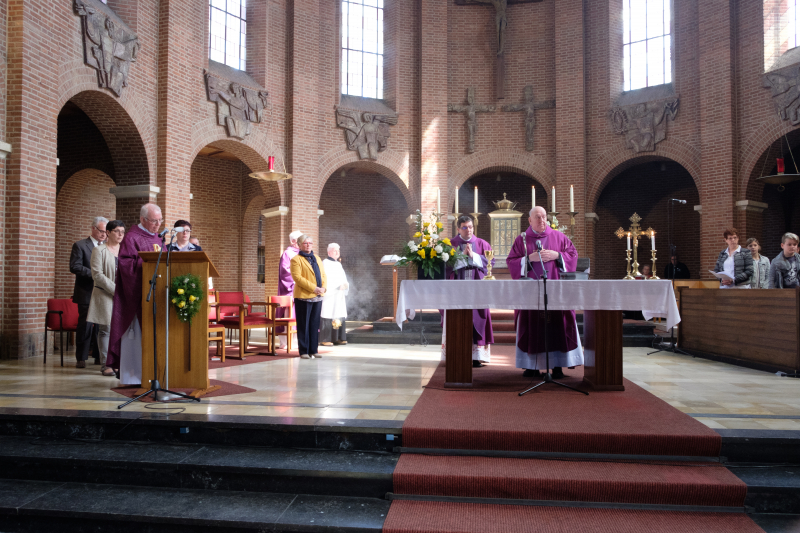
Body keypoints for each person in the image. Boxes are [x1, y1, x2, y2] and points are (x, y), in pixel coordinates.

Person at [507, 206, 582, 378]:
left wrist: (558, 255)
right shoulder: (522, 240)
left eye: (544, 216)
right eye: (537, 217)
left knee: (557, 324)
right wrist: (528, 259)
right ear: (530, 220)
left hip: (555, 290)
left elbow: (573, 255)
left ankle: (557, 365)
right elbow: (511, 262)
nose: (542, 220)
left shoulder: (559, 237)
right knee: (532, 325)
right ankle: (532, 366)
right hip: (530, 292)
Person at [107, 204, 164, 384]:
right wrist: (147, 264)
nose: (158, 224)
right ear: (142, 219)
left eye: (160, 220)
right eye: (154, 221)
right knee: (137, 338)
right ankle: (134, 377)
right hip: (137, 298)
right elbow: (125, 265)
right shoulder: (131, 238)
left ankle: (155, 375)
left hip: (157, 297)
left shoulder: (159, 239)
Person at [444, 215, 494, 367]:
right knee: (457, 319)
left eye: (470, 227)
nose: (468, 230)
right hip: (457, 290)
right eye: (465, 227)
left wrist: (473, 256)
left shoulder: (482, 243)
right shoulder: (450, 245)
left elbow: (491, 262)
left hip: (477, 289)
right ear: (458, 229)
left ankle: (476, 357)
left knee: (477, 317)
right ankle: (457, 355)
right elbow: (445, 267)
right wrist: (462, 257)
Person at [87, 220, 125, 376]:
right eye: (117, 231)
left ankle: (119, 362)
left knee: (121, 330)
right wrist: (116, 290)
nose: (120, 234)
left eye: (122, 231)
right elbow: (97, 275)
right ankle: (106, 364)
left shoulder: (125, 250)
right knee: (106, 329)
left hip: (123, 296)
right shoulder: (99, 250)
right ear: (108, 233)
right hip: (105, 294)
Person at [69, 216, 108, 368]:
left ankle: (98, 357)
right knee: (85, 325)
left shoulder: (107, 246)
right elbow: (75, 266)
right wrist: (96, 274)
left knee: (100, 326)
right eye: (101, 231)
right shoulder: (80, 245)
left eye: (106, 232)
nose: (104, 234)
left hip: (103, 292)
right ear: (93, 228)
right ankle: (81, 357)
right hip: (86, 291)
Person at [290, 234, 327, 359]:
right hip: (304, 296)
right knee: (303, 324)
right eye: (305, 243)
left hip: (318, 296)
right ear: (299, 245)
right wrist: (314, 288)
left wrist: (323, 288)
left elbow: (323, 275)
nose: (308, 245)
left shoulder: (317, 258)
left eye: (310, 243)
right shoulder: (296, 259)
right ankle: (304, 351)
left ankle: (313, 350)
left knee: (314, 324)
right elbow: (297, 278)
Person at [276, 230, 303, 349]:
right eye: (300, 240)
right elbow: (285, 271)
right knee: (290, 314)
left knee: (300, 316)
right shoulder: (287, 253)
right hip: (291, 290)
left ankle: (297, 340)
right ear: (293, 241)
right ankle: (286, 341)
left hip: (302, 290)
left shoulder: (302, 254)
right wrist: (297, 280)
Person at [319, 243, 348, 347]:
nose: (337, 252)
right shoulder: (325, 263)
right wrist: (336, 287)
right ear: (329, 252)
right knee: (328, 314)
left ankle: (338, 338)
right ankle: (325, 339)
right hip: (330, 295)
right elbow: (325, 279)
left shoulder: (338, 264)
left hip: (339, 294)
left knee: (339, 313)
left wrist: (346, 284)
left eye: (338, 251)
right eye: (335, 250)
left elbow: (343, 278)